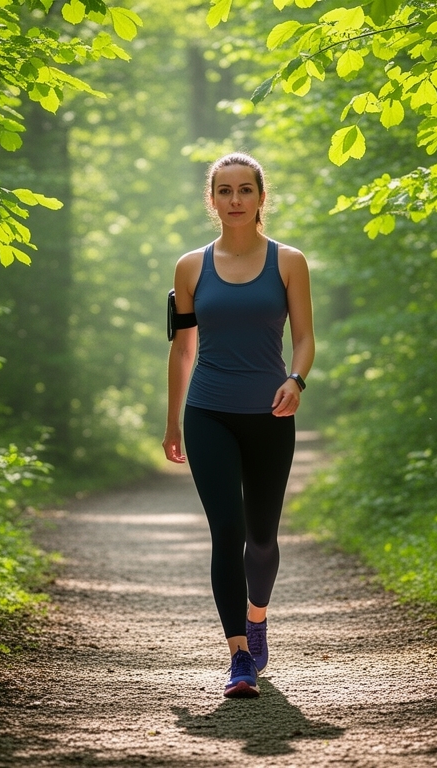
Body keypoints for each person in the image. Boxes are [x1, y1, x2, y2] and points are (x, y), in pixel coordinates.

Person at [162, 152, 315, 698]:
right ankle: (239, 657)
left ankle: (257, 617)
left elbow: (304, 338)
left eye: (244, 190)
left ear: (260, 198)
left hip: (271, 413)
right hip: (208, 413)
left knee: (262, 537)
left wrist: (296, 380)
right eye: (223, 191)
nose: (234, 200)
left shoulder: (289, 262)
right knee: (226, 532)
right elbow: (183, 350)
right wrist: (173, 422)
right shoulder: (190, 268)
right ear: (212, 199)